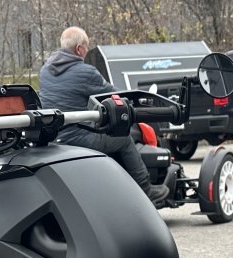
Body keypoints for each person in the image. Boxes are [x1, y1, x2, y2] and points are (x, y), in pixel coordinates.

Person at [38, 26, 167, 202]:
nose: (86, 52)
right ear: (79, 49)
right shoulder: (84, 72)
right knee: (124, 139)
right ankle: (146, 190)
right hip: (78, 137)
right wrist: (138, 99)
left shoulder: (46, 71)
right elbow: (115, 95)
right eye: (87, 47)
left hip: (55, 137)